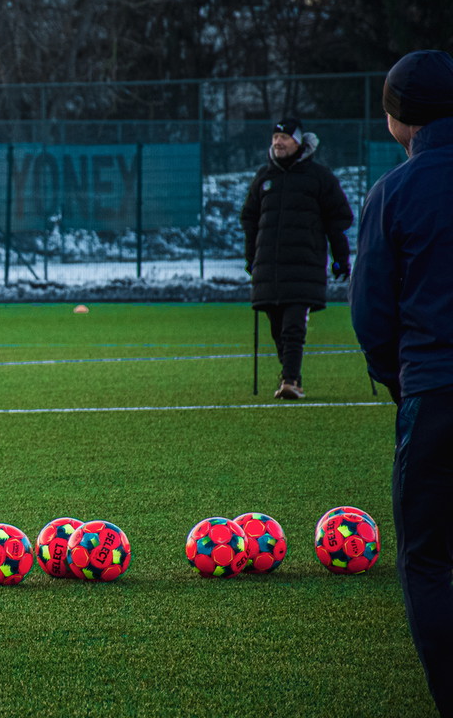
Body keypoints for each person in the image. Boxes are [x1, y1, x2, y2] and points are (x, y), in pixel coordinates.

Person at [350, 49, 453, 717]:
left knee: (426, 560)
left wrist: (400, 379)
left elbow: (372, 314)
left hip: (435, 394)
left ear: (398, 118)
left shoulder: (394, 192)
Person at [240, 117, 353, 399]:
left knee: (293, 325)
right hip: (268, 267)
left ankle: (290, 380)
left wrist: (341, 258)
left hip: (305, 265)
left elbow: (337, 219)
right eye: (275, 138)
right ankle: (290, 375)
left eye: (285, 137)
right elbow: (249, 219)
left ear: (299, 142)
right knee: (277, 327)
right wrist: (251, 257)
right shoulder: (264, 177)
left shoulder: (319, 176)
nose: (278, 142)